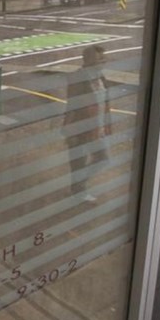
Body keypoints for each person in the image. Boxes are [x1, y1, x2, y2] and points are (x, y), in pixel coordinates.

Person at [63, 45, 112, 203]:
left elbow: (104, 104)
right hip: (82, 128)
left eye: (104, 58)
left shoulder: (100, 77)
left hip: (97, 128)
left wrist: (105, 125)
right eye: (100, 59)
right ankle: (79, 192)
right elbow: (72, 106)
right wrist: (69, 131)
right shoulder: (79, 79)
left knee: (103, 159)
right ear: (89, 60)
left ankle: (78, 186)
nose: (104, 62)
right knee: (79, 162)